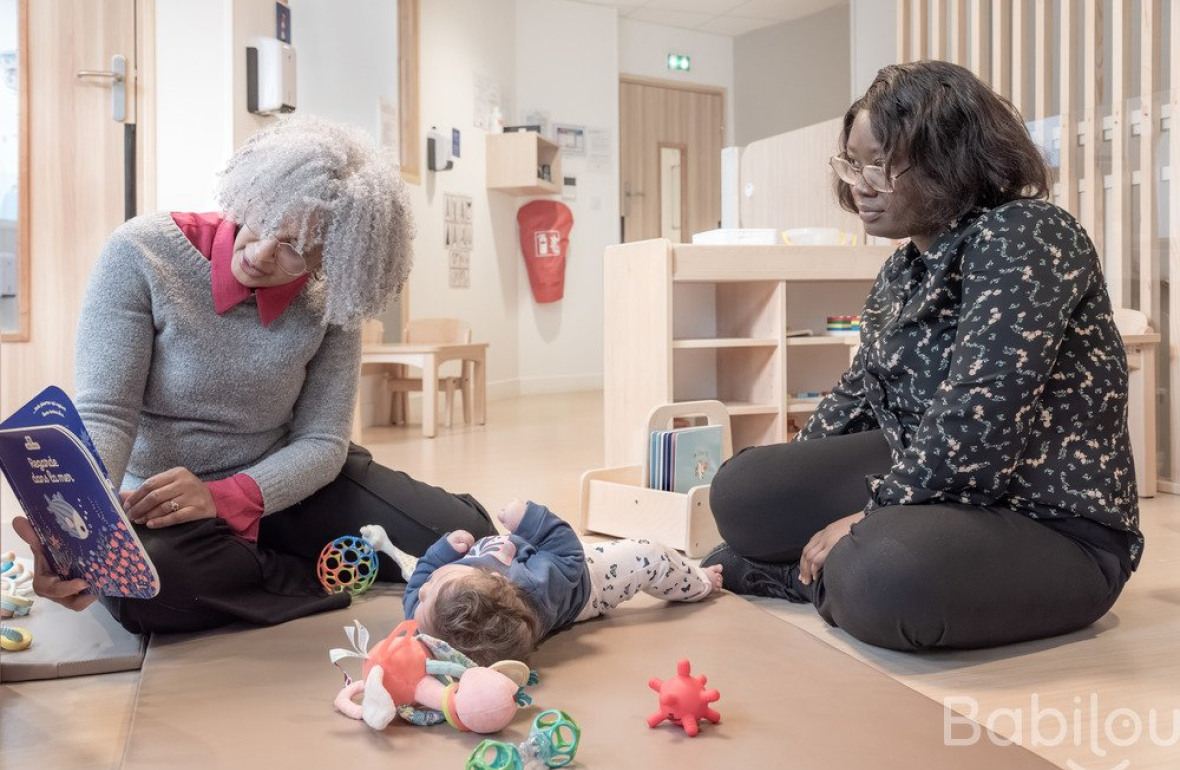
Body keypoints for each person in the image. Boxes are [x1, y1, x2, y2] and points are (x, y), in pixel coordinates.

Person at [702, 61, 1142, 652]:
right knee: (744, 492)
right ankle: (829, 568)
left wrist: (868, 515)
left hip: (1049, 520)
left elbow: (981, 412)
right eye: (852, 162)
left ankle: (810, 578)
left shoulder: (1028, 233)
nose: (861, 183)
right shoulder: (902, 267)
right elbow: (858, 394)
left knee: (883, 572)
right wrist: (793, 492)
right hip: (937, 481)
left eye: (880, 164)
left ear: (952, 161)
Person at [12, 117, 497, 634]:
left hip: (287, 481)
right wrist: (85, 530)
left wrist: (226, 498)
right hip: (163, 503)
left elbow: (323, 441)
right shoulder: (140, 253)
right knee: (142, 595)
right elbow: (106, 413)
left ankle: (260, 558)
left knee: (467, 536)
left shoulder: (333, 301)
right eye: (263, 220)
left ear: (333, 258)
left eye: (295, 247)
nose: (261, 252)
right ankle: (307, 568)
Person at [381, 499, 723, 665]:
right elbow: (565, 549)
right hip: (588, 578)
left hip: (542, 559)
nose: (421, 592)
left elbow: (421, 580)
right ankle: (699, 583)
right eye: (426, 599)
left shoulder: (422, 619)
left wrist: (441, 553)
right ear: (493, 579)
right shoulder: (539, 585)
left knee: (411, 572)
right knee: (649, 554)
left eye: (426, 595)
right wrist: (531, 519)